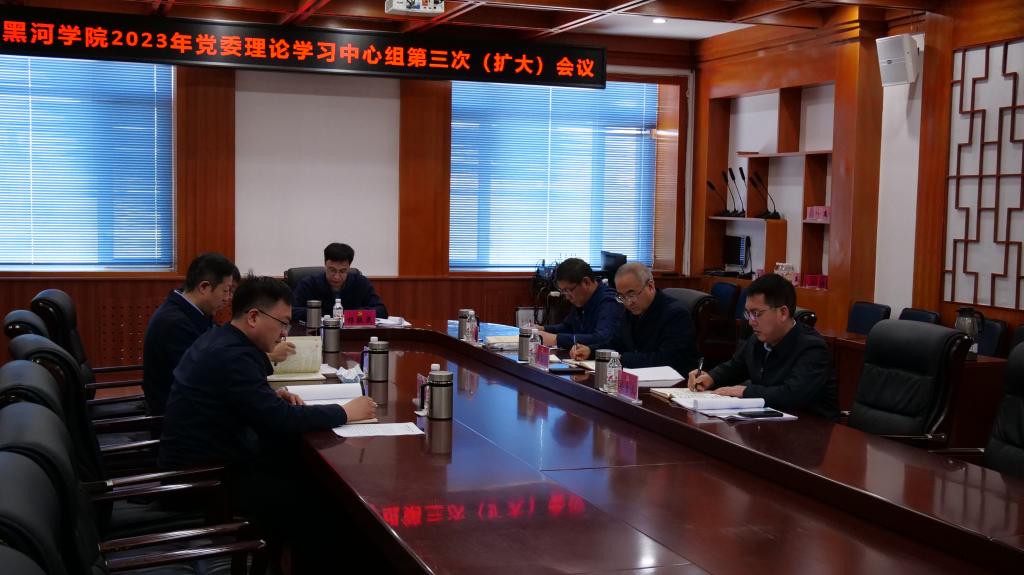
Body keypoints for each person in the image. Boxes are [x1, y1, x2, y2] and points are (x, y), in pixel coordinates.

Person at [159, 276, 376, 573]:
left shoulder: (223, 339)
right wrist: (345, 411)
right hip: (208, 480)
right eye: (282, 323)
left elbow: (245, 402)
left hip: (210, 462)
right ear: (253, 317)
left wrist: (270, 396)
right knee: (323, 502)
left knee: (306, 475)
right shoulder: (233, 356)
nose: (285, 333)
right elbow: (280, 420)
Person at [142, 253, 293, 415]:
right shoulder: (174, 323)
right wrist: (268, 356)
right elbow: (207, 375)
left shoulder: (195, 313)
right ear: (204, 287)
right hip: (175, 411)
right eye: (226, 290)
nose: (228, 298)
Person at [687, 273, 837, 420]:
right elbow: (735, 367)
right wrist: (711, 377)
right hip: (769, 420)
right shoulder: (758, 339)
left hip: (810, 428)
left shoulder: (813, 349)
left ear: (783, 313)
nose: (750, 321)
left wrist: (745, 392)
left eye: (756, 313)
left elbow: (791, 395)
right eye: (748, 314)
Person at [571, 263, 699, 375]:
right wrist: (591, 351)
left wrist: (620, 359)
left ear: (650, 286)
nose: (628, 302)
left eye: (631, 294)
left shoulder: (675, 314)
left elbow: (667, 360)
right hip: (638, 377)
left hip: (673, 384)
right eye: (621, 296)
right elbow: (618, 342)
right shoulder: (631, 310)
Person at [536, 258, 623, 350]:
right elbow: (569, 327)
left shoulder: (610, 302)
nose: (567, 297)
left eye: (568, 290)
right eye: (563, 291)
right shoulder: (582, 298)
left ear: (586, 282)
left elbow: (603, 339)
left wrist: (556, 339)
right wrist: (542, 329)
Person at [292, 242, 388, 320]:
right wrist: (317, 313)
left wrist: (352, 315)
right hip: (317, 334)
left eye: (342, 271)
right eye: (332, 270)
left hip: (352, 334)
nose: (337, 277)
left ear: (349, 268)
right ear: (325, 265)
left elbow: (381, 311)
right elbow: (291, 311)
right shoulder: (308, 284)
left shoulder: (361, 283)